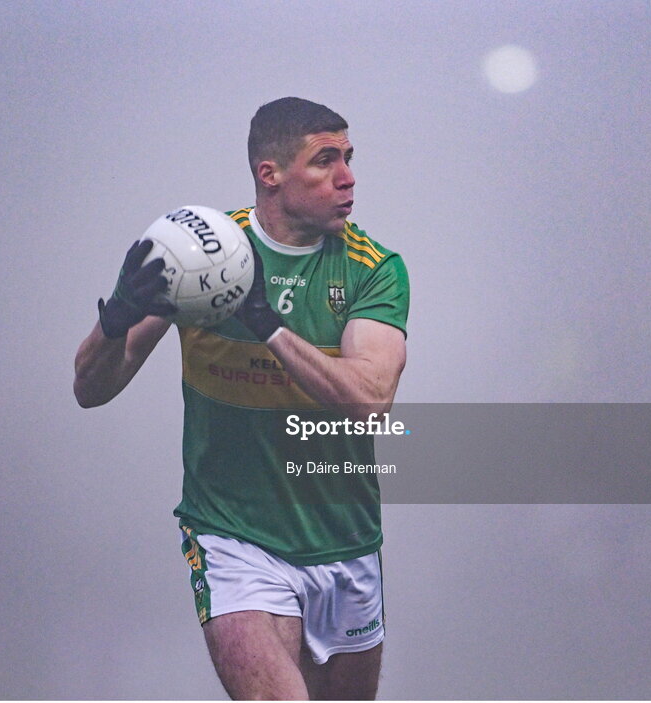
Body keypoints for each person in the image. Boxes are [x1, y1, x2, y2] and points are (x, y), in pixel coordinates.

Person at [74, 97, 409, 700]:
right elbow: (90, 390)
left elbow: (371, 401)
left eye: (349, 158)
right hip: (233, 537)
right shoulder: (198, 255)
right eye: (326, 160)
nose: (348, 177)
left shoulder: (373, 268)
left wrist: (268, 325)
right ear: (270, 174)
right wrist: (116, 320)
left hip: (345, 541)